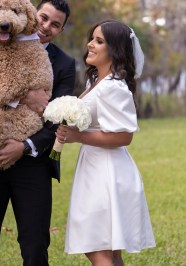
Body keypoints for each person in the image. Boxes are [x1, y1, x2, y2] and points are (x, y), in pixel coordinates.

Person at [0, 1, 76, 266]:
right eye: (44, 17)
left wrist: (24, 146)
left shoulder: (64, 64)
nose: (46, 26)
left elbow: (55, 119)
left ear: (60, 30)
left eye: (55, 24)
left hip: (33, 165)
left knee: (36, 245)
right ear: (31, 14)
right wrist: (25, 95)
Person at [56, 19, 156, 266]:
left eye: (99, 41)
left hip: (107, 173)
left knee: (94, 246)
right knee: (109, 250)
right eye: (92, 38)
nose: (90, 44)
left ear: (115, 49)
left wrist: (77, 136)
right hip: (94, 167)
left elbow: (124, 136)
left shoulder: (113, 87)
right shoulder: (95, 82)